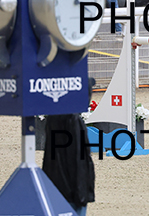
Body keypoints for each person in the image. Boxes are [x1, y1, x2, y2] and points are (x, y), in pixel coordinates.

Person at [42, 78, 96, 216]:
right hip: (72, 192)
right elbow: (78, 159)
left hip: (56, 186)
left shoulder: (53, 116)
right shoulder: (73, 120)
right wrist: (82, 192)